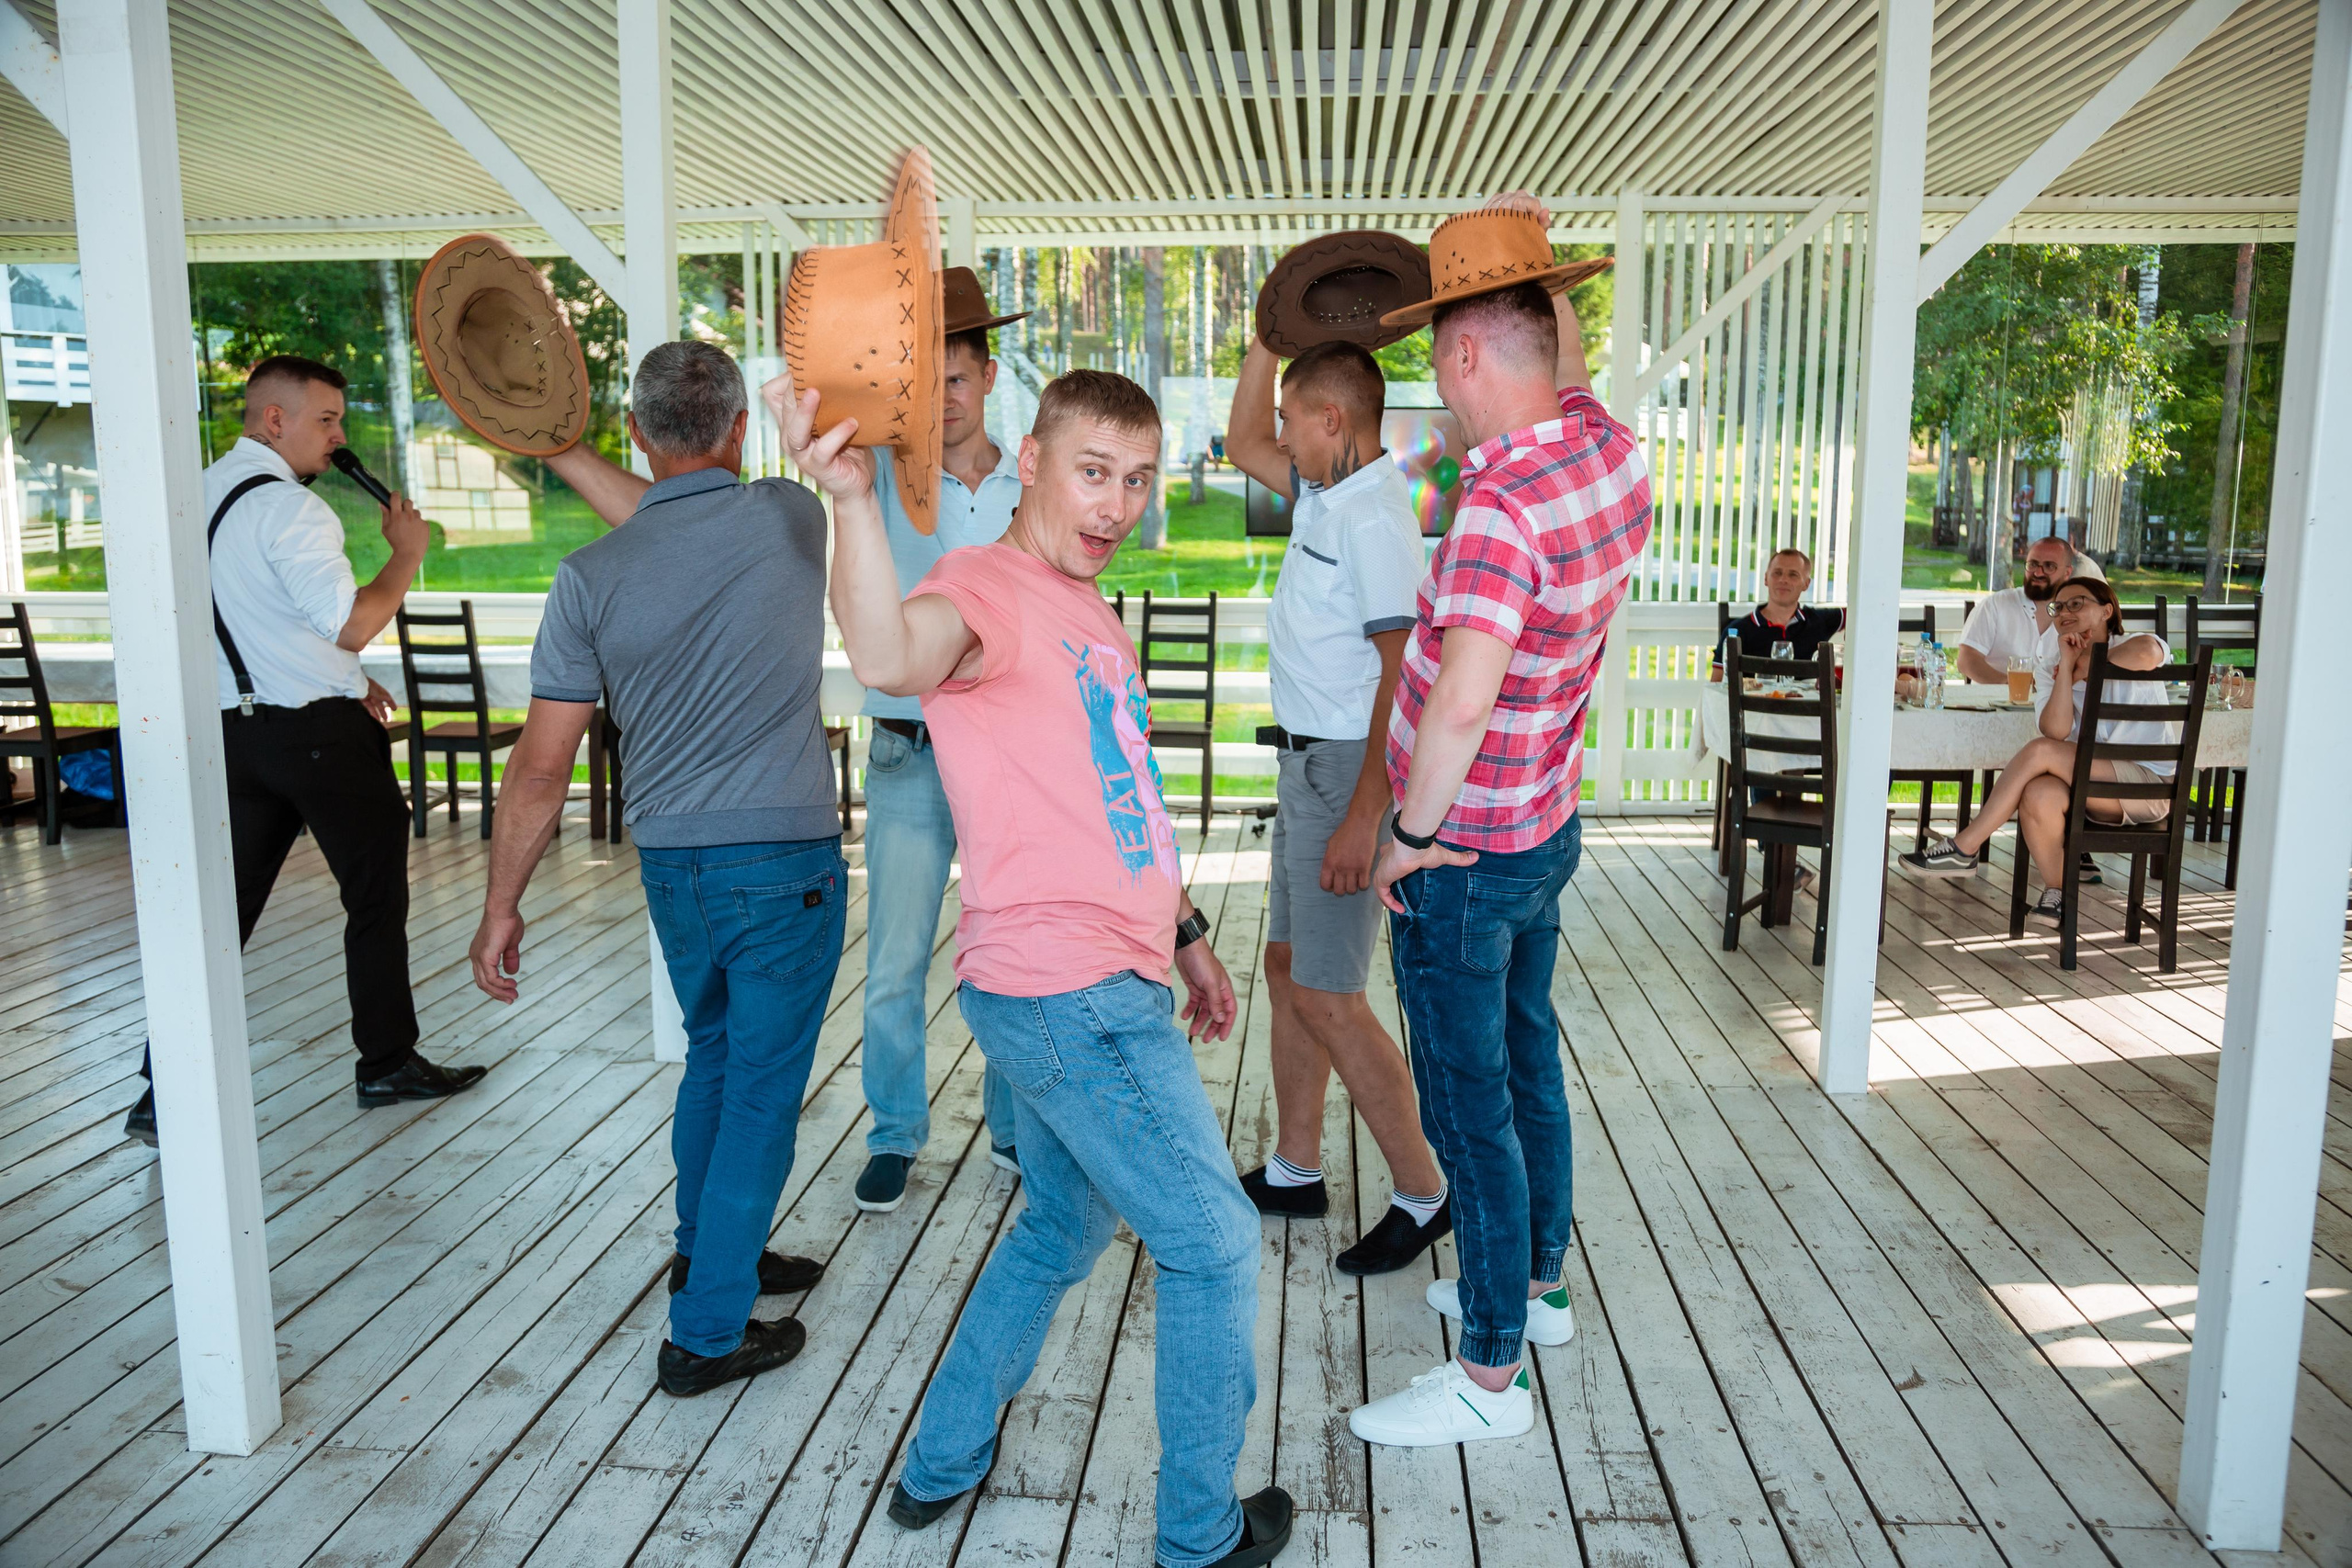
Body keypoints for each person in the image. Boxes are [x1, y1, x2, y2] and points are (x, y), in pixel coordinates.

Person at [783, 366, 1290, 1568]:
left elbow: (1113, 800)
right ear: (1032, 460)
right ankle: (1200, 1533)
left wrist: (1181, 934)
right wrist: (852, 502)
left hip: (1088, 975)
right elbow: (894, 654)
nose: (1115, 501)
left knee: (1062, 1219)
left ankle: (939, 1463)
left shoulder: (1089, 611)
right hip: (1066, 992)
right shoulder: (985, 589)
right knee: (1215, 1239)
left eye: (1137, 477)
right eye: (1092, 471)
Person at [468, 341, 840, 1399]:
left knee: (715, 1060)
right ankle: (707, 1332)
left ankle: (709, 1248)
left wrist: (501, 906)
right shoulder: (791, 518)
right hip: (784, 860)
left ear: (637, 434)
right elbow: (680, 511)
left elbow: (541, 770)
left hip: (674, 867)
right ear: (736, 431)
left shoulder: (589, 576)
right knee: (762, 1089)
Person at [1351, 267, 1652, 1448]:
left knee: (1469, 1111)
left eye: (1438, 361)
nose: (1437, 387)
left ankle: (1487, 1376)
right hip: (1544, 828)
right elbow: (1566, 361)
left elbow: (1458, 709)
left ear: (1468, 359)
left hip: (1466, 854)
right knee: (1528, 1058)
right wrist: (1535, 270)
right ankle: (1537, 1290)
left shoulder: (1497, 512)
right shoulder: (1604, 450)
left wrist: (1407, 839)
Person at [119, 355, 479, 1149]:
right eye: (327, 420)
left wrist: (349, 679)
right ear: (273, 419)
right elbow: (347, 621)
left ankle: (158, 1091)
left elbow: (263, 624)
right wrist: (406, 554)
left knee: (223, 915)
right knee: (375, 896)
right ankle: (386, 1061)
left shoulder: (196, 497)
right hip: (320, 740)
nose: (339, 436)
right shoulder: (294, 511)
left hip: (236, 736)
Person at [1221, 335, 1449, 1276]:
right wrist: (1263, 347)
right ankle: (1295, 1168)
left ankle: (1424, 1192)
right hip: (1305, 765)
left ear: (1330, 420)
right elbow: (1240, 442)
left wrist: (1368, 815)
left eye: (1290, 417)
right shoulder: (1327, 490)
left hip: (1348, 771)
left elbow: (1406, 674)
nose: (1277, 434)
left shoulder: (1373, 519)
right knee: (1286, 967)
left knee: (1328, 990)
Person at [854, 268, 1026, 1216]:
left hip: (1003, 751)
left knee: (1003, 949)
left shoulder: (1029, 476)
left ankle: (1010, 1124)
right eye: (922, 386)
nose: (938, 404)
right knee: (895, 959)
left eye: (953, 383)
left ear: (988, 375)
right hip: (908, 750)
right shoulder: (875, 471)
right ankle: (892, 1133)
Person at [1898, 576, 2177, 919]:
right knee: (2039, 792)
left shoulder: (2135, 642)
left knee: (2040, 751)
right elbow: (2055, 729)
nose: (2064, 612)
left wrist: (2085, 665)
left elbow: (2150, 653)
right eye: (2058, 607)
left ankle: (1966, 846)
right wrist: (2066, 670)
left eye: (2077, 603)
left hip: (2144, 788)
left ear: (2107, 610)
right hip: (2093, 789)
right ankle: (2059, 893)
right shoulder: (2051, 662)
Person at [1954, 535, 2077, 685]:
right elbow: (1966, 660)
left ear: (2067, 573)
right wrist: (2011, 684)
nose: (2038, 573)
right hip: (1992, 703)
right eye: (2032, 564)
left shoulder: (2076, 616)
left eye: (2049, 566)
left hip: (2053, 705)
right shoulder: (1996, 605)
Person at [1724, 547, 1843, 660]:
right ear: (1766, 578)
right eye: (1777, 573)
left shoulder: (1819, 621)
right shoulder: (1737, 631)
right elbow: (1717, 680)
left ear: (1806, 584)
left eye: (1793, 575)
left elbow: (1858, 613)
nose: (1783, 580)